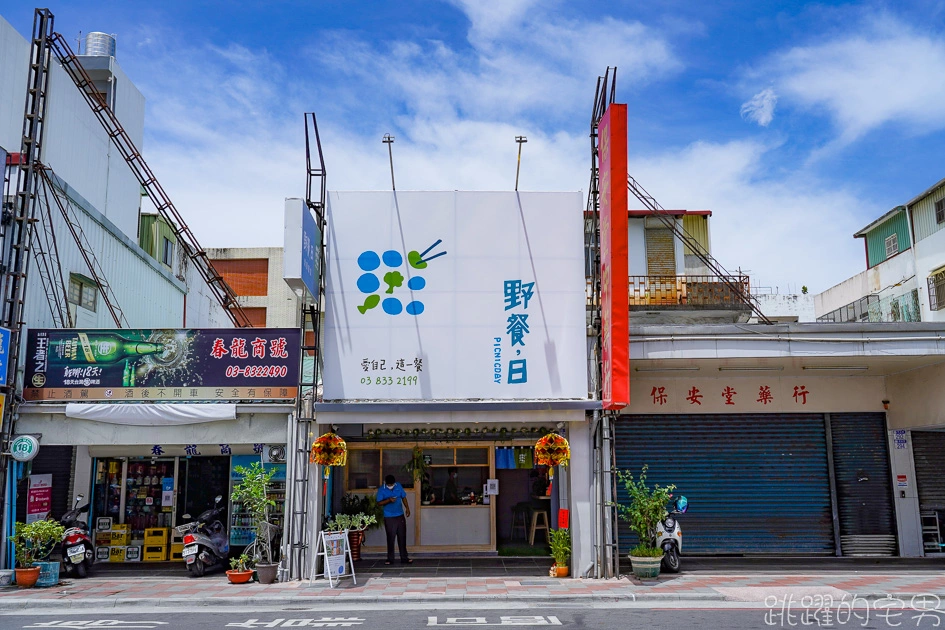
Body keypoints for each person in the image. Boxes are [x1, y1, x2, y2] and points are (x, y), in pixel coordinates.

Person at [376, 474, 412, 565]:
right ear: (386, 483)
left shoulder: (398, 486)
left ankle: (404, 558)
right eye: (389, 484)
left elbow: (403, 497)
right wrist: (388, 500)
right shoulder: (381, 489)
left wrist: (407, 508)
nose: (391, 486)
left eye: (392, 484)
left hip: (400, 515)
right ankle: (390, 559)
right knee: (390, 538)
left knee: (402, 537)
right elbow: (379, 503)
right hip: (389, 516)